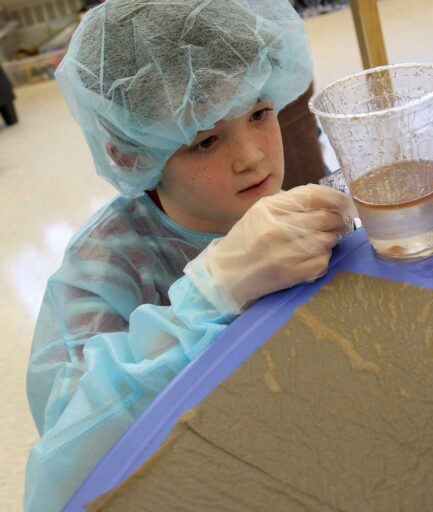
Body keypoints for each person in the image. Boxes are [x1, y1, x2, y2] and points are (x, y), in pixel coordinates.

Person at [23, 1, 352, 510]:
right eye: (206, 140)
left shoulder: (295, 206)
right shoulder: (102, 271)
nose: (252, 156)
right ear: (130, 153)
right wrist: (210, 294)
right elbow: (64, 470)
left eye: (260, 113)